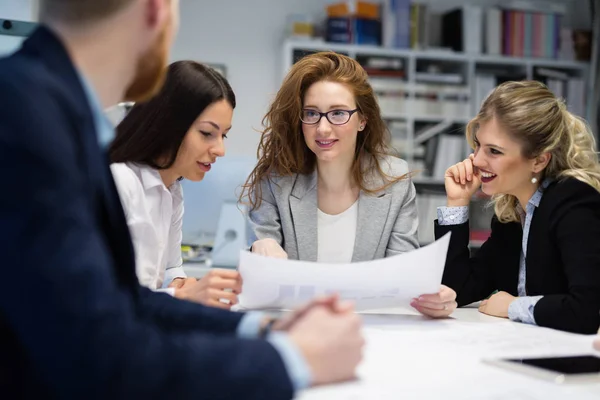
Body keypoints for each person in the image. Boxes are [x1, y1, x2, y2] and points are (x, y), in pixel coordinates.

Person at [0, 1, 364, 398]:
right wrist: (292, 359)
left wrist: (261, 329)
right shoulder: (26, 119)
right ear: (157, 12)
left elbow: (123, 300)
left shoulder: (50, 109)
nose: (218, 148)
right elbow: (97, 354)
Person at [241, 51, 457, 318]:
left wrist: (431, 299)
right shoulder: (276, 179)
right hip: (295, 328)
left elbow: (402, 276)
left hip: (370, 333)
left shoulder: (395, 181)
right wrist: (260, 249)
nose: (322, 128)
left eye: (338, 113)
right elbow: (261, 265)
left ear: (362, 120)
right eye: (311, 113)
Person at [436, 80, 600, 334]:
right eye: (478, 145)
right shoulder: (512, 211)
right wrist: (457, 203)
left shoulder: (574, 203)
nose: (476, 160)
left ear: (538, 160)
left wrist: (513, 306)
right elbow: (458, 288)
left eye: (494, 151)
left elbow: (585, 311)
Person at [109, 60, 242, 309]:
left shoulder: (172, 189)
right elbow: (103, 297)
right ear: (169, 124)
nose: (220, 150)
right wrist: (181, 296)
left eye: (223, 135)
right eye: (206, 133)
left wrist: (182, 282)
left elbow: (170, 267)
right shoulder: (119, 182)